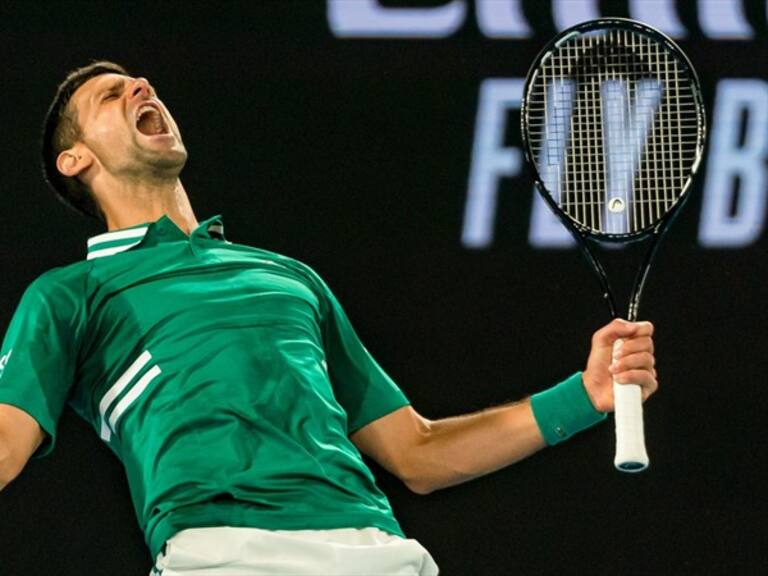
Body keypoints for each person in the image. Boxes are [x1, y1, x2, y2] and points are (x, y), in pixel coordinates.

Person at [0, 62, 658, 576]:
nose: (141, 85)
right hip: (221, 554)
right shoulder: (71, 296)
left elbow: (417, 452)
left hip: (373, 548)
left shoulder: (288, 277)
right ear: (76, 159)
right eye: (111, 95)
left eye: (137, 82)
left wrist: (585, 394)